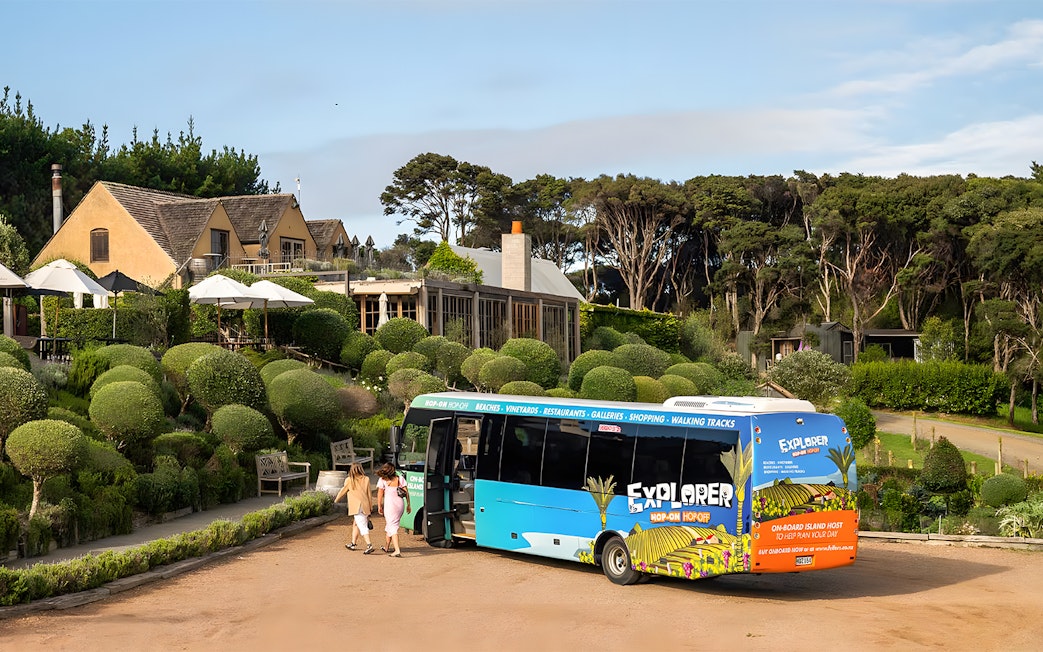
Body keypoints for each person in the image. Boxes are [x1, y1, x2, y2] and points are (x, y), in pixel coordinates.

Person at [334, 463, 375, 554]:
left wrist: (336, 500)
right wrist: (370, 506)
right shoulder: (366, 479)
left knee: (362, 526)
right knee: (356, 524)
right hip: (364, 504)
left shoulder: (349, 480)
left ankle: (369, 544)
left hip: (356, 506)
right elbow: (369, 494)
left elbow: (342, 491)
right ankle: (353, 543)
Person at [376, 462, 411, 557]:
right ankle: (386, 546)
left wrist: (379, 505)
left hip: (389, 506)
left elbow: (380, 494)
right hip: (400, 504)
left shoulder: (382, 480)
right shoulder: (399, 479)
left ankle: (397, 550)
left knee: (393, 527)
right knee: (390, 525)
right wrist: (408, 504)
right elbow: (406, 492)